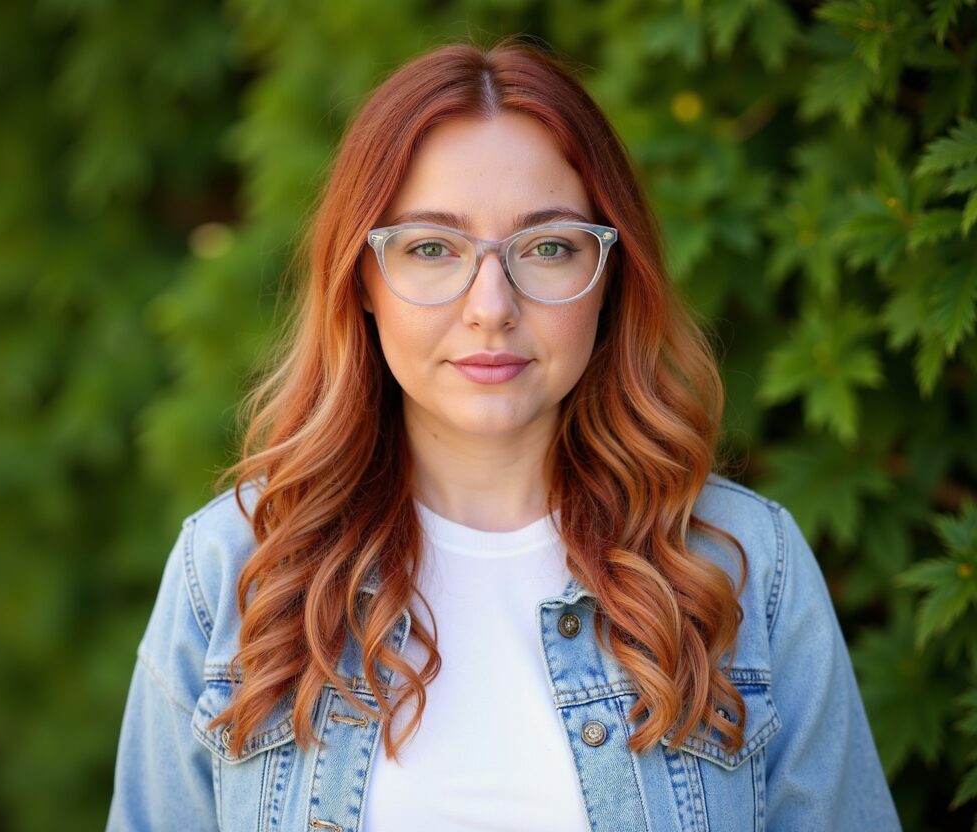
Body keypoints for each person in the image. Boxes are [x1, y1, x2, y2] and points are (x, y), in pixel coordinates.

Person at [106, 39, 901, 831]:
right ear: (363, 281)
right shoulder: (238, 570)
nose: (491, 304)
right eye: (430, 247)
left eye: (548, 247)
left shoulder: (742, 564)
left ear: (610, 277)